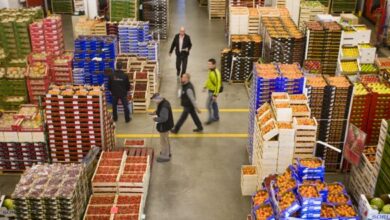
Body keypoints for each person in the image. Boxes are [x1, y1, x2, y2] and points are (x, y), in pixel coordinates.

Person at [150, 94, 174, 162]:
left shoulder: (164, 106)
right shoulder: (163, 102)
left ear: (158, 99)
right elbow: (159, 110)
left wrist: (156, 119)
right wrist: (154, 112)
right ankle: (167, 153)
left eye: (155, 100)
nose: (155, 102)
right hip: (167, 125)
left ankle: (165, 156)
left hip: (164, 126)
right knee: (166, 139)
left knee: (163, 141)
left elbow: (164, 118)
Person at [203, 58, 222, 125]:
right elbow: (209, 80)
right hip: (210, 90)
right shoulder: (211, 71)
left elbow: (218, 85)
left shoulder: (216, 73)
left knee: (208, 106)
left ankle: (210, 119)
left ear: (214, 65)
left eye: (210, 64)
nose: (208, 65)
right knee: (214, 104)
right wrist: (205, 86)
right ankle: (216, 117)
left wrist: (215, 95)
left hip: (213, 92)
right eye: (208, 64)